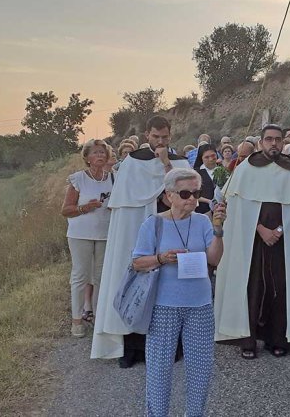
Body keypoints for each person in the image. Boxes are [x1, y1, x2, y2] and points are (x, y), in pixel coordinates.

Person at [91, 116, 191, 367]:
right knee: (138, 285)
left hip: (169, 231)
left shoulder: (179, 162)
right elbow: (126, 209)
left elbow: (181, 196)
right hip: (138, 234)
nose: (160, 141)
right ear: (147, 135)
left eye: (165, 137)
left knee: (167, 287)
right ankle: (132, 347)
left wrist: (166, 163)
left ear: (170, 136)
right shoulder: (132, 163)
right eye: (156, 136)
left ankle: (168, 346)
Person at [214, 124, 290, 359]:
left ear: (283, 143)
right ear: (261, 142)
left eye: (278, 140)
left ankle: (278, 339)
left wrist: (279, 230)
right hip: (253, 242)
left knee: (281, 289)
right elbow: (240, 211)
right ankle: (248, 341)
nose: (274, 143)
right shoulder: (245, 170)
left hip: (284, 243)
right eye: (269, 139)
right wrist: (261, 230)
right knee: (252, 288)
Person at [131, 168, 226, 417]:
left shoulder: (203, 221)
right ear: (169, 195)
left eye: (196, 193)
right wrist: (162, 258)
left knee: (200, 371)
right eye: (185, 193)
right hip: (164, 306)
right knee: (159, 371)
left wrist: (218, 230)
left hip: (200, 305)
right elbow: (137, 262)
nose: (192, 199)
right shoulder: (154, 224)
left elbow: (214, 259)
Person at [61, 139, 114, 338]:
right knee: (80, 275)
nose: (100, 155)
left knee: (101, 277)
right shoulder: (78, 179)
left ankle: (99, 318)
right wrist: (85, 207)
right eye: (95, 152)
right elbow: (66, 210)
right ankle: (77, 321)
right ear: (87, 158)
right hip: (80, 234)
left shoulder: (113, 178)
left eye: (103, 152)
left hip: (105, 234)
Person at [192, 144, 219, 215]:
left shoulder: (223, 169)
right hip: (203, 211)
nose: (211, 159)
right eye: (207, 157)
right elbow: (192, 193)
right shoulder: (196, 173)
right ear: (201, 158)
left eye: (213, 155)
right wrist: (209, 201)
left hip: (222, 210)